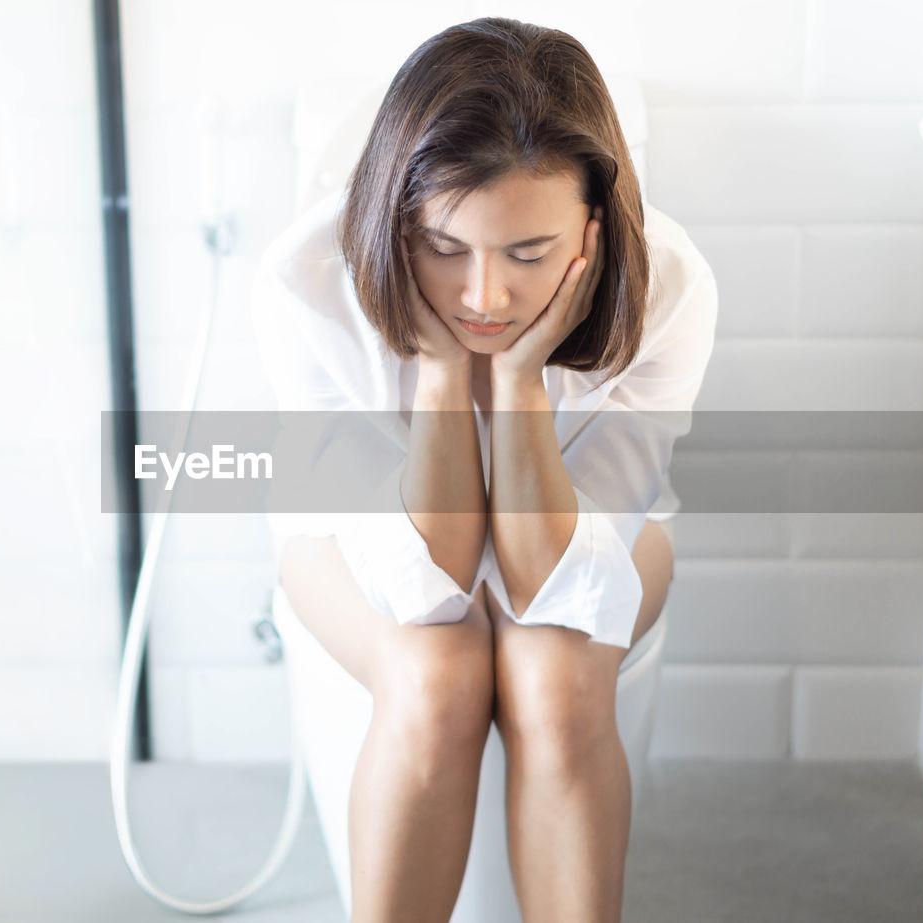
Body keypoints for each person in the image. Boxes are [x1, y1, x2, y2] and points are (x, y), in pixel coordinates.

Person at [251, 16, 717, 923]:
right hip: (361, 540)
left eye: (530, 255)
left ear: (594, 224)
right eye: (444, 248)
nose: (485, 297)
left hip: (586, 528)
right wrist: (436, 371)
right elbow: (428, 586)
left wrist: (513, 382)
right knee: (432, 674)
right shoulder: (305, 285)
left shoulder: (670, 285)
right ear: (393, 216)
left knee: (557, 675)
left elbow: (553, 580)